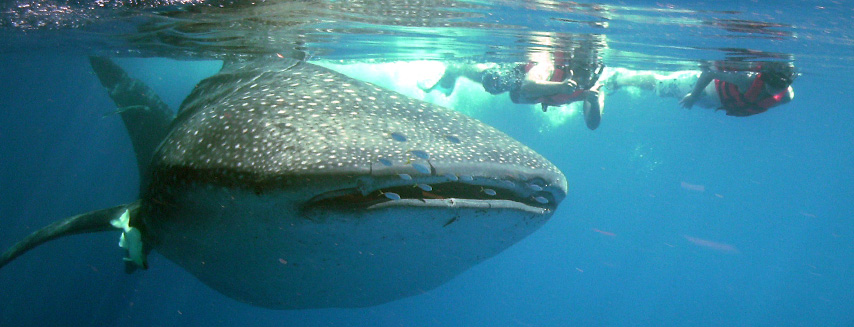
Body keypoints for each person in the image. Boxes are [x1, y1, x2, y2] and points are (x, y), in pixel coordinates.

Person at [420, 51, 605, 130]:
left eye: (587, 73)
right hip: (520, 78)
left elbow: (592, 124)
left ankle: (455, 71)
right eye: (578, 71)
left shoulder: (593, 89)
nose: (581, 80)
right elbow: (527, 85)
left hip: (530, 97)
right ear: (570, 64)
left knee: (504, 86)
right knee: (495, 81)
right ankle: (457, 68)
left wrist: (594, 101)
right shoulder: (549, 65)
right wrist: (560, 86)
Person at [605, 61, 796, 117]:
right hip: (698, 87)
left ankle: (621, 79)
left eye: (780, 87)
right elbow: (710, 73)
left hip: (711, 102)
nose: (774, 91)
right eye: (772, 86)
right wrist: (693, 95)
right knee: (660, 85)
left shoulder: (786, 96)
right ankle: (620, 78)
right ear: (765, 78)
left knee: (661, 88)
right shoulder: (745, 79)